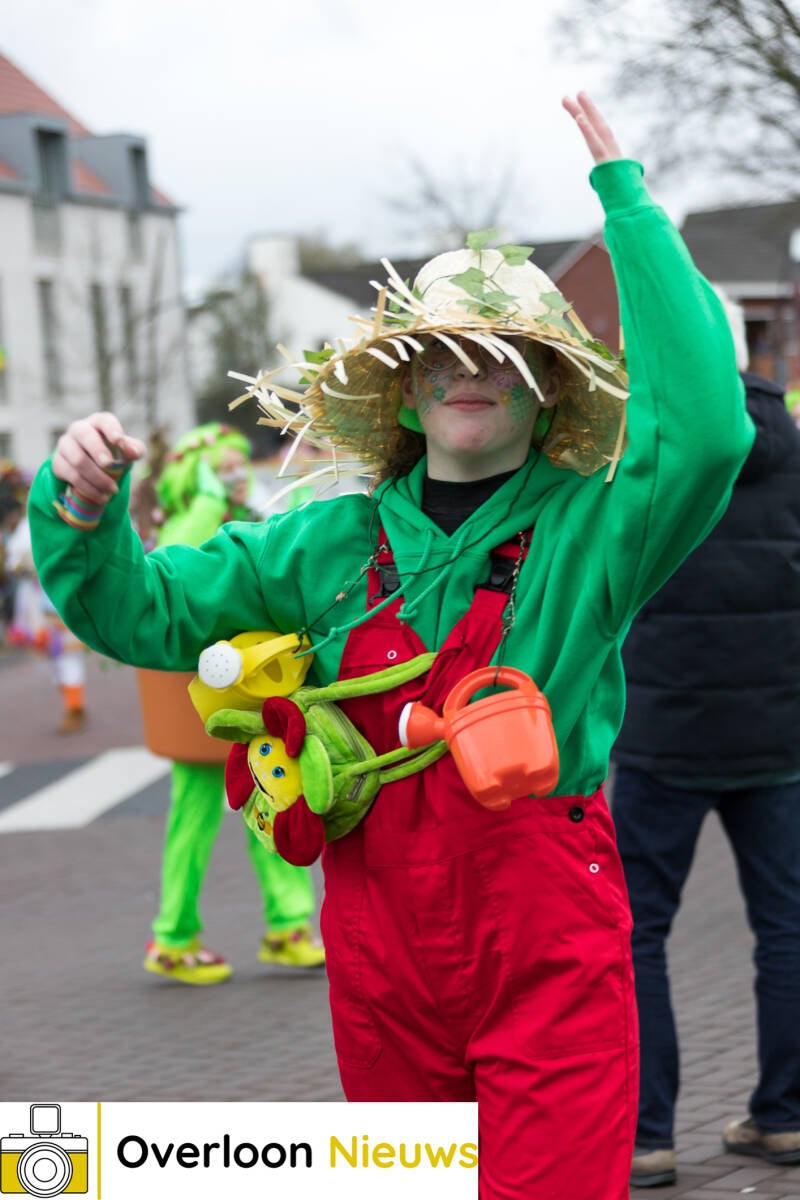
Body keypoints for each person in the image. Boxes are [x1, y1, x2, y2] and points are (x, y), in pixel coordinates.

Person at [27, 95, 752, 1197]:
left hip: (546, 953)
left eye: (504, 354)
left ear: (543, 385)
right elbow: (146, 614)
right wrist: (77, 509)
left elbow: (703, 429)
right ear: (407, 385)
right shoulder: (324, 541)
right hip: (380, 960)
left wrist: (632, 213)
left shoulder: (588, 529)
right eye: (443, 353)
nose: (472, 371)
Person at [612, 301, 800, 1186]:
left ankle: (646, 1134)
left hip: (662, 732)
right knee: (789, 930)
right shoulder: (792, 441)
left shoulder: (639, 450)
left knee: (634, 935)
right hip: (782, 731)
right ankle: (784, 1117)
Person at [138, 422, 325, 983]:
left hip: (247, 692)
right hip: (190, 700)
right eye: (222, 464)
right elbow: (173, 560)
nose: (235, 472)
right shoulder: (187, 518)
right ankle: (173, 937)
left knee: (273, 793)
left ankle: (289, 925)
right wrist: (208, 496)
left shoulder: (248, 518)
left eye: (238, 463)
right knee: (192, 819)